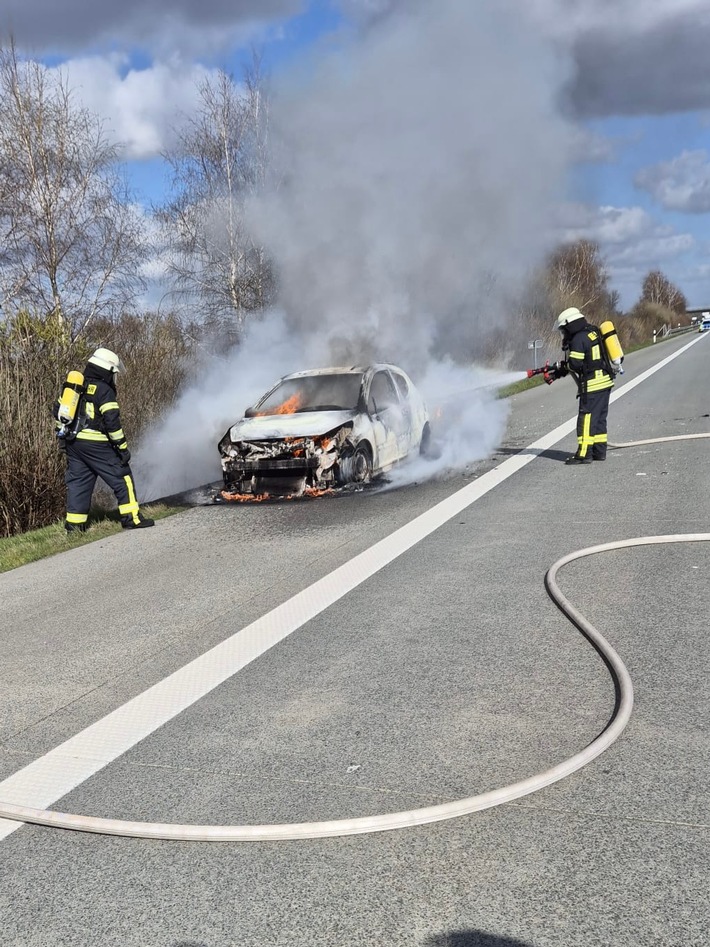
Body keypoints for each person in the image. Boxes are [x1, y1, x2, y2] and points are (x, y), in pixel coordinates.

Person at [56, 348, 154, 532]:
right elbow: (112, 422)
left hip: (74, 444)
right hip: (96, 444)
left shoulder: (75, 386)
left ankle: (74, 527)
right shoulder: (104, 390)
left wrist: (63, 438)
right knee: (122, 476)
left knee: (79, 482)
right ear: (107, 370)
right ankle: (132, 518)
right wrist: (122, 448)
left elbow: (58, 412)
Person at [553, 307, 614, 465]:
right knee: (599, 419)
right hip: (605, 382)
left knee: (586, 419)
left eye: (564, 329)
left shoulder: (578, 338)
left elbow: (574, 364)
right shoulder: (592, 332)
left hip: (592, 385)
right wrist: (559, 371)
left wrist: (561, 367)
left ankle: (584, 454)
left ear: (569, 325)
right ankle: (599, 452)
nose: (564, 333)